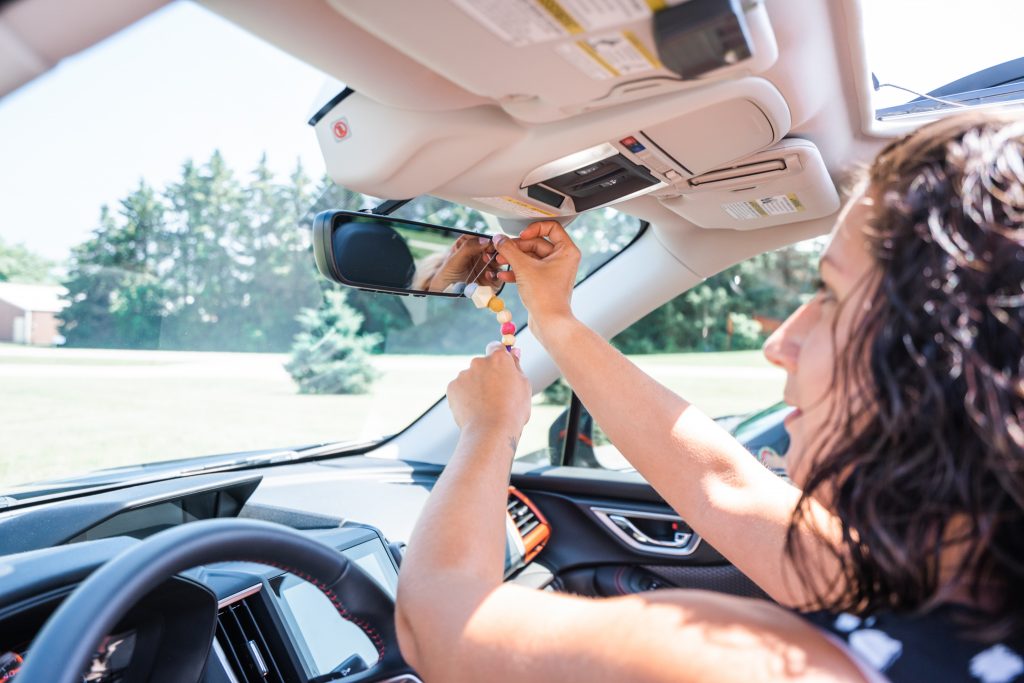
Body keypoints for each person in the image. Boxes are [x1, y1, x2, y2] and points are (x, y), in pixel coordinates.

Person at [393, 112, 1024, 683]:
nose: (780, 340)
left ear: (955, 356)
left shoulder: (776, 668)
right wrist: (553, 317)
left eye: (830, 295)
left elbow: (443, 628)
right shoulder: (956, 580)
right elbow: (728, 489)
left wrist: (488, 430)